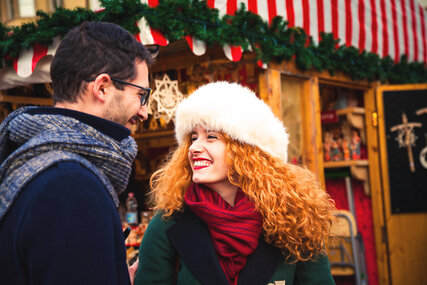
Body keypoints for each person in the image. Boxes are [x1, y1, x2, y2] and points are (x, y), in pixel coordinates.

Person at [135, 82, 336, 285]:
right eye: (193, 137)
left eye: (211, 137)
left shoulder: (294, 220)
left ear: (247, 150)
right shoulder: (167, 223)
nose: (194, 147)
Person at [0, 21, 152, 284]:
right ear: (102, 87)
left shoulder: (40, 162)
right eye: (141, 94)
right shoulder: (70, 184)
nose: (144, 111)